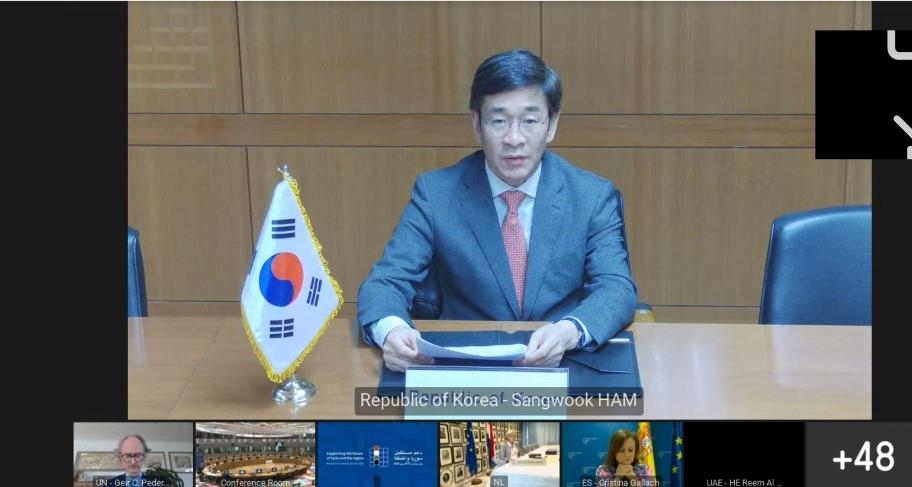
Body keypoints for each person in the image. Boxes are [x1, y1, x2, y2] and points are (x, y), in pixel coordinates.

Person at [358, 48, 638, 372]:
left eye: (529, 121)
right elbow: (384, 283)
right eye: (499, 121)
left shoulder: (591, 197)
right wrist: (391, 332)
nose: (514, 138)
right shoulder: (436, 195)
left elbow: (616, 288)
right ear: (477, 124)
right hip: (464, 364)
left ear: (551, 124)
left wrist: (568, 331)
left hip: (563, 360)